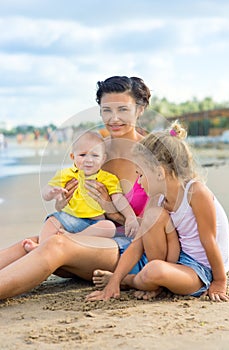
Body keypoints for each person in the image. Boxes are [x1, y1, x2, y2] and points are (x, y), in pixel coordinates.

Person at [0, 75, 154, 301]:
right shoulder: (96, 150)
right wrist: (63, 203)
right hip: (94, 240)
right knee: (32, 243)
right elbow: (78, 201)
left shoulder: (154, 152)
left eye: (123, 109)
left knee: (55, 245)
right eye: (106, 110)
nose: (114, 118)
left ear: (139, 109)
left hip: (135, 249)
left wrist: (113, 213)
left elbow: (169, 221)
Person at [86, 121, 229, 302]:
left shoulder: (195, 192)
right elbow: (138, 243)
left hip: (201, 269)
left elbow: (209, 240)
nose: (137, 182)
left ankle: (132, 281)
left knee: (153, 271)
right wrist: (113, 282)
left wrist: (219, 281)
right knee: (152, 218)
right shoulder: (158, 198)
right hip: (178, 259)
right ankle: (140, 282)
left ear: (160, 173)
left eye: (140, 174)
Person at [22, 131, 139, 251]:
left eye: (95, 155)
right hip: (69, 218)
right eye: (83, 155)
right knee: (52, 221)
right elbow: (46, 192)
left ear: (103, 158)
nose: (89, 160)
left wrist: (130, 216)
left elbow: (118, 198)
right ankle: (41, 246)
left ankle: (72, 238)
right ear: (73, 157)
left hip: (95, 222)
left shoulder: (108, 178)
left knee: (109, 227)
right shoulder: (68, 174)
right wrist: (51, 192)